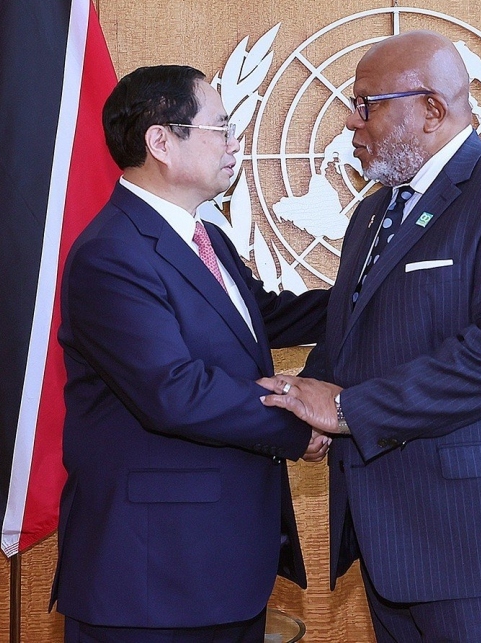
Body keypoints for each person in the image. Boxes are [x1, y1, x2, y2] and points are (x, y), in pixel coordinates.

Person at [260, 31, 481, 643]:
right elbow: (357, 331)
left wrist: (344, 409)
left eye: (367, 103)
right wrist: (302, 405)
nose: (350, 121)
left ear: (430, 109)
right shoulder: (374, 213)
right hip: (397, 540)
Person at [52, 65, 330, 643]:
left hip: (218, 568)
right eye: (221, 128)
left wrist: (370, 293)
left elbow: (263, 316)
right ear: (161, 142)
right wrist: (299, 420)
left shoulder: (205, 236)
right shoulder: (112, 253)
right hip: (152, 579)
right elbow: (174, 392)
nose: (235, 144)